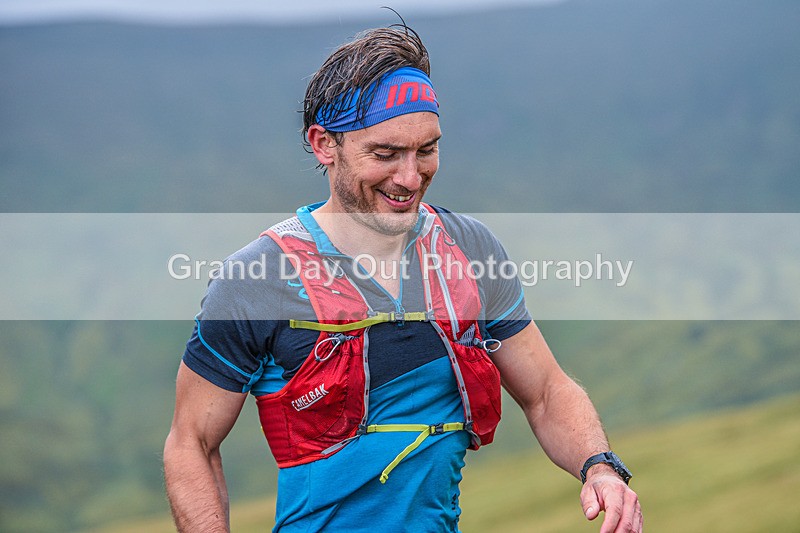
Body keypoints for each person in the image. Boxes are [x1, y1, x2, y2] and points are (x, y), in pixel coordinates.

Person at [163, 23, 642, 533]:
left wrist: (600, 467)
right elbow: (191, 442)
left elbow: (545, 391)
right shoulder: (255, 281)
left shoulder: (470, 250)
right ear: (324, 144)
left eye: (426, 150)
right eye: (385, 154)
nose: (410, 178)